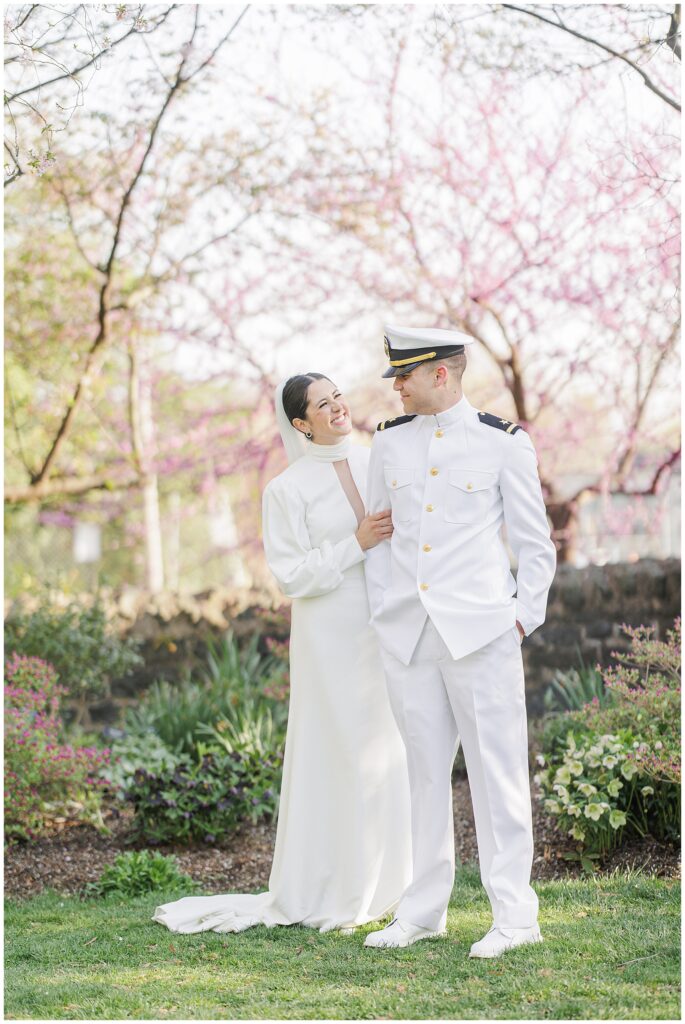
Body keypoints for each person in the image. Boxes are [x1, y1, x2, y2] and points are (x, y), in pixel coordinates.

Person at [153, 372, 411, 935]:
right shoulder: (286, 490)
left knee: (386, 747)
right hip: (330, 635)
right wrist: (355, 544)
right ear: (301, 423)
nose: (338, 407)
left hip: (387, 624)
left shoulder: (382, 457)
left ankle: (397, 882)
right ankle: (339, 884)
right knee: (338, 748)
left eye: (338, 395)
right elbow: (292, 575)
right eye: (323, 404)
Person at [362, 325, 557, 957]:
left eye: (404, 375)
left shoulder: (503, 444)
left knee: (497, 776)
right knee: (423, 776)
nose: (395, 385)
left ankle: (515, 917)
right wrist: (381, 612)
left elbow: (535, 547)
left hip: (481, 632)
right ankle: (423, 912)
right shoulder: (386, 444)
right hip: (409, 634)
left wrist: (519, 620)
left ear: (439, 374)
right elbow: (377, 536)